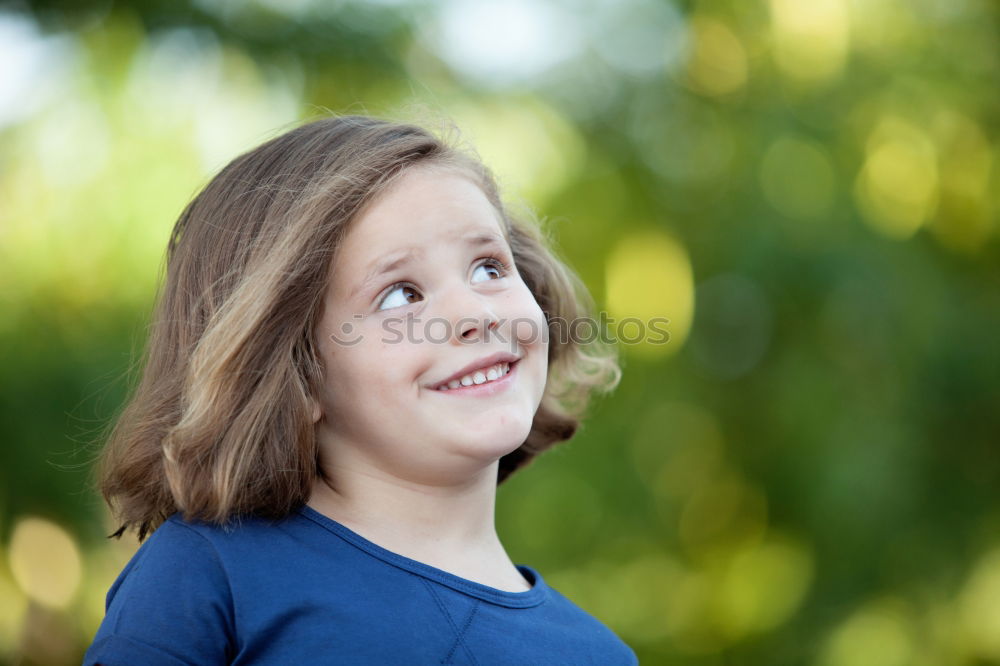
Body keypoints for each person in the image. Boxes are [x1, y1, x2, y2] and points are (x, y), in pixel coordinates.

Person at [83, 115, 635, 665]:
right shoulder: (210, 577)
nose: (474, 313)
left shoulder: (600, 656)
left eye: (489, 267)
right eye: (400, 294)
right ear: (297, 372)